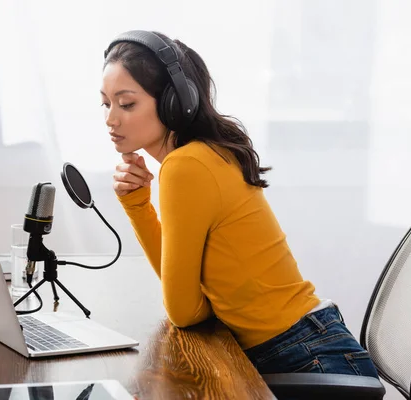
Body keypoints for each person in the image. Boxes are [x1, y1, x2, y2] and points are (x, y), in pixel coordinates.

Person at [100, 30, 379, 378]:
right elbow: (184, 290)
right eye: (106, 103)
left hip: (306, 358)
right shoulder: (202, 156)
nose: (111, 119)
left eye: (126, 104)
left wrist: (141, 211)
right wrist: (137, 205)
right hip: (306, 345)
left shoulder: (185, 167)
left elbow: (185, 311)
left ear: (174, 101)